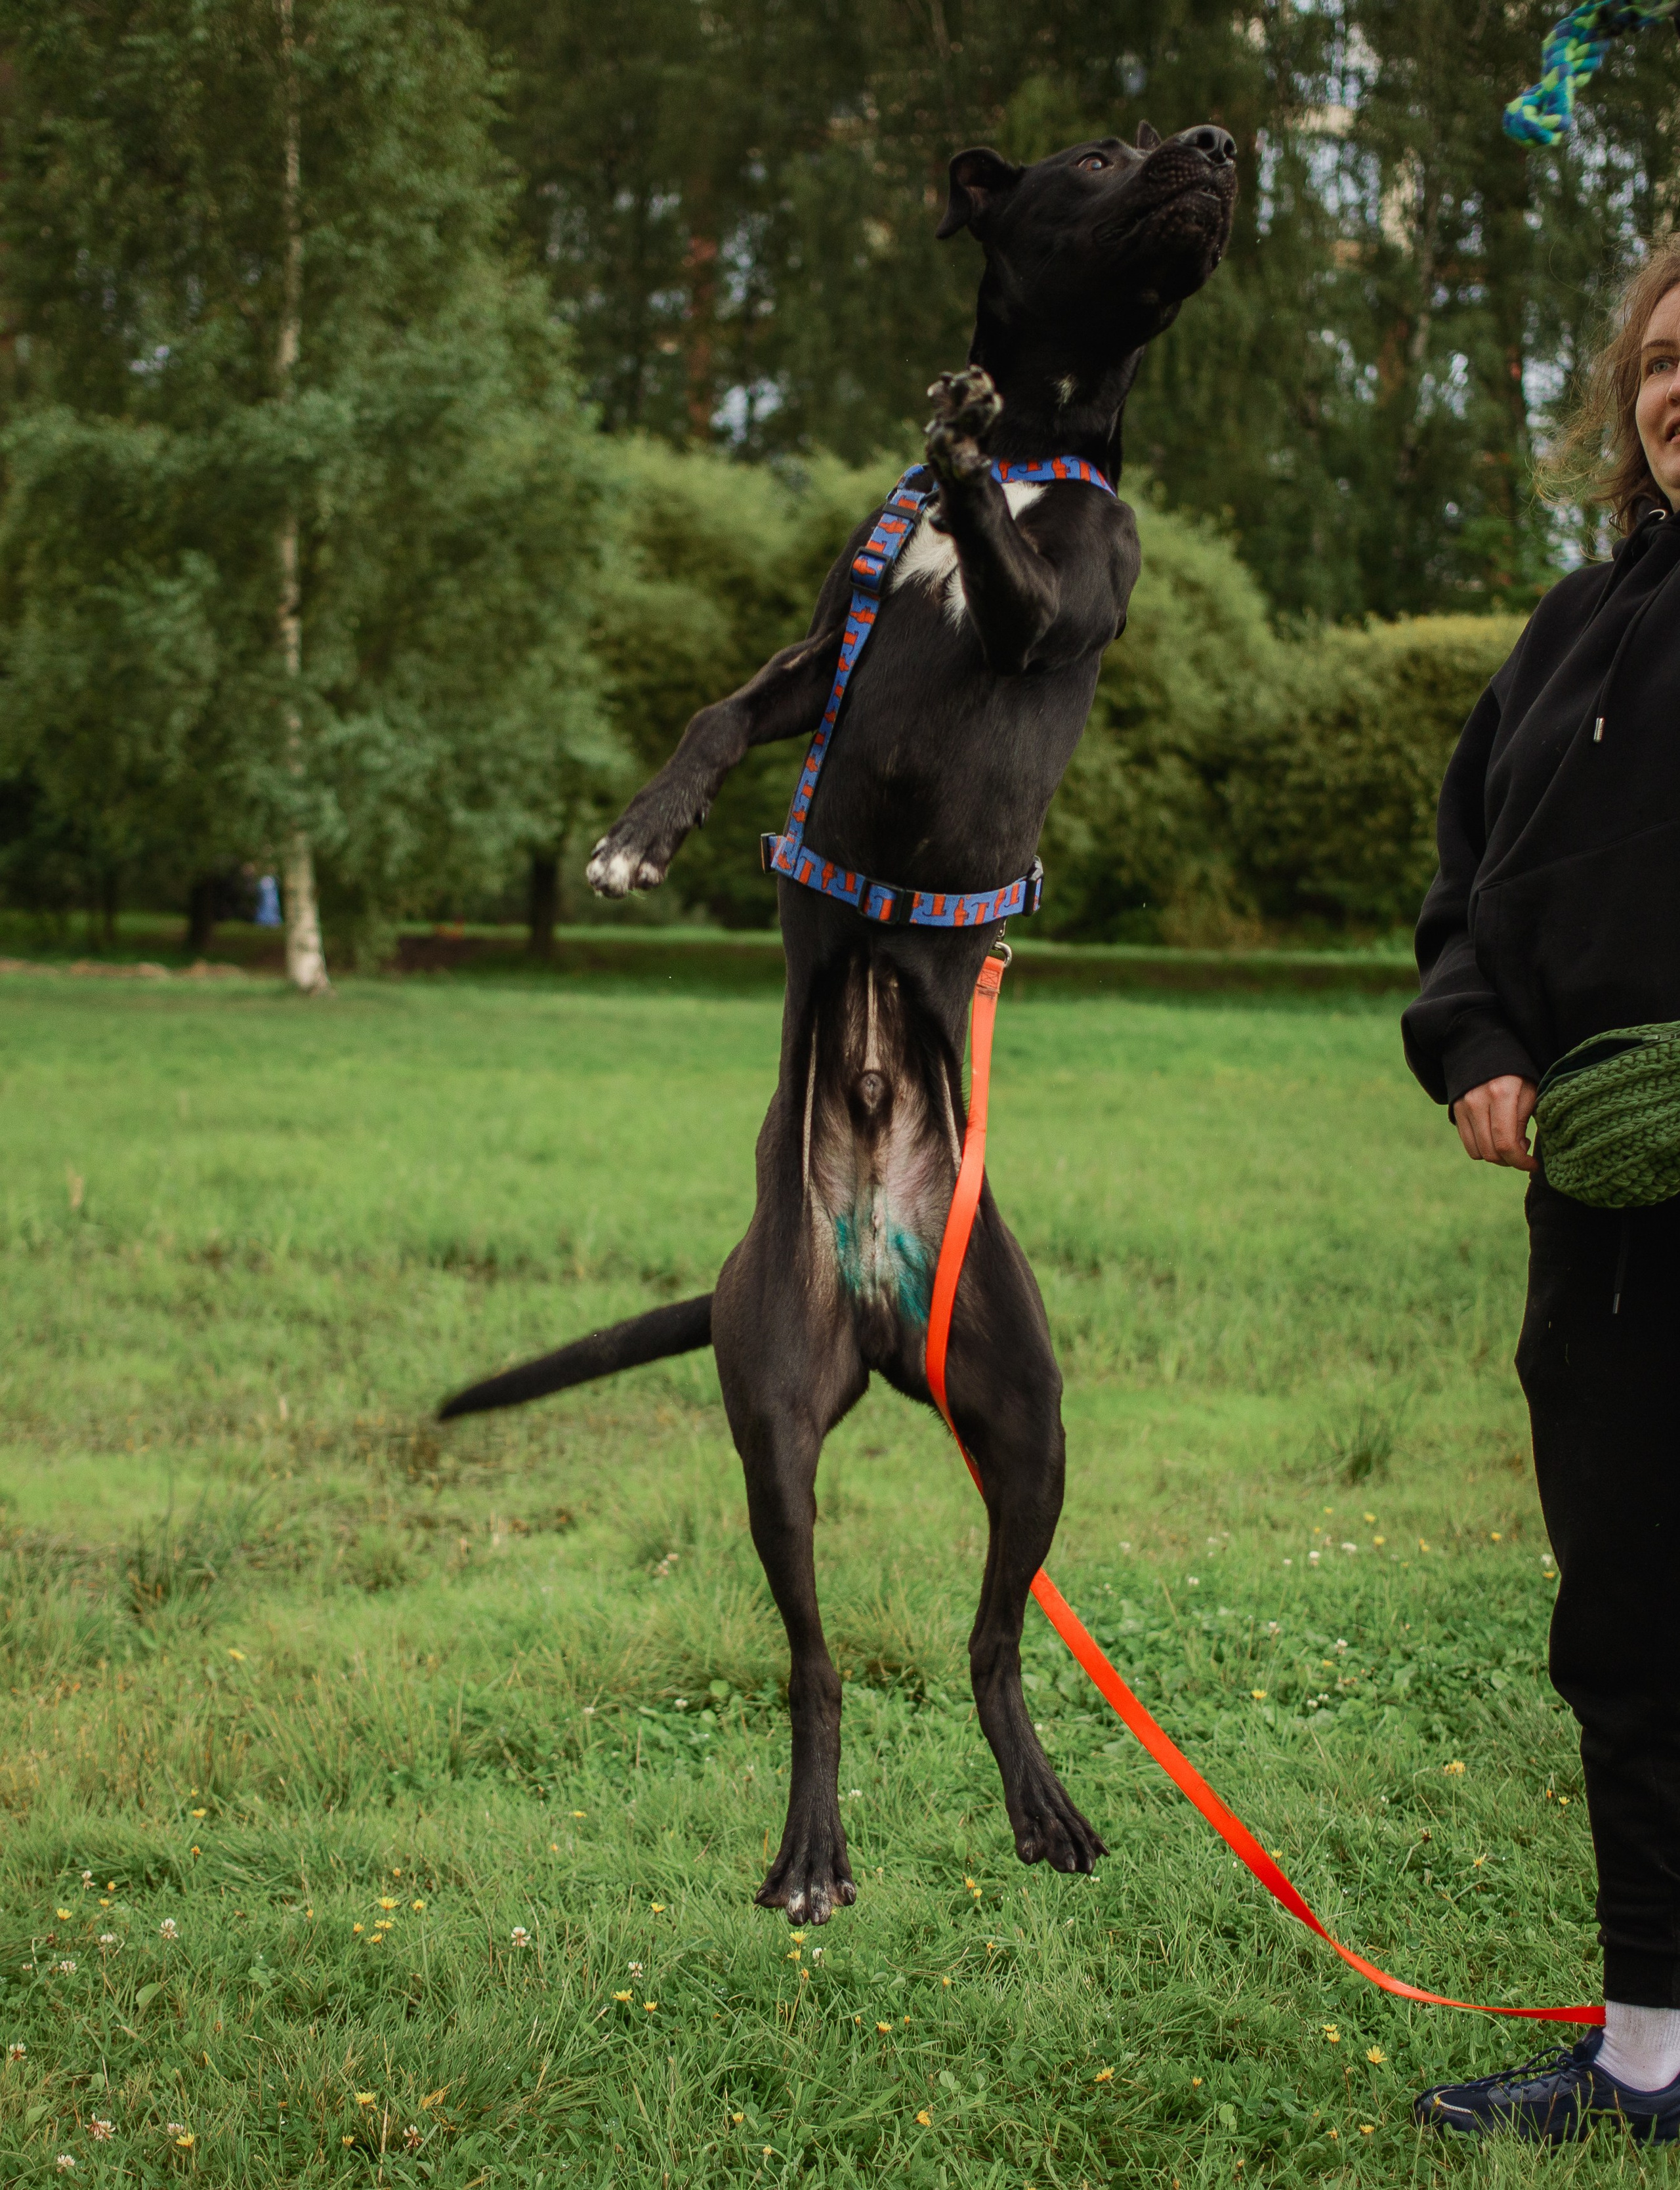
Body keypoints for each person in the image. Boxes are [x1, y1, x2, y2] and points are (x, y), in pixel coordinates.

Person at [1401, 240, 1680, 2143]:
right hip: (1603, 1239)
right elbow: (1463, 901)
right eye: (1664, 358)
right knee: (1636, 1629)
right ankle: (1650, 2060)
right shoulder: (1566, 632)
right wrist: (1479, 1044)